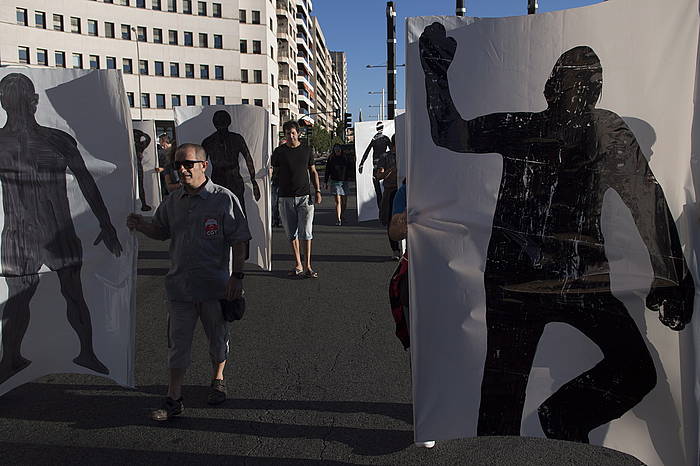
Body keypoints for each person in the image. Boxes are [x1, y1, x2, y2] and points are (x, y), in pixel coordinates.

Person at [420, 23, 694, 442]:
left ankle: (564, 416)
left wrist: (672, 276)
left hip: (573, 277)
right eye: (574, 84)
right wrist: (435, 74)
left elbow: (647, 202)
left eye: (587, 87)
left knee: (621, 373)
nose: (579, 95)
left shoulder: (603, 133)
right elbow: (451, 135)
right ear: (551, 89)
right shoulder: (537, 128)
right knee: (502, 398)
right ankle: (562, 418)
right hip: (523, 281)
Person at [0, 73, 123, 385]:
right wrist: (106, 223)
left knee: (20, 298)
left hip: (22, 233)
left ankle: (11, 358)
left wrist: (107, 223)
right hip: (54, 231)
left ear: (3, 103)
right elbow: (88, 180)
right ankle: (85, 352)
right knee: (73, 294)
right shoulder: (56, 140)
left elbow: (86, 179)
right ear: (34, 101)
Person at [126, 143, 251, 421]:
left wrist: (238, 276)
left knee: (218, 340)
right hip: (180, 288)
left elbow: (239, 239)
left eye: (187, 164)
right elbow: (161, 230)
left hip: (215, 287)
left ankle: (218, 378)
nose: (181, 169)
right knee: (177, 345)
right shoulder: (173, 201)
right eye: (177, 165)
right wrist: (140, 224)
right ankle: (173, 398)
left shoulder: (224, 199)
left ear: (203, 166)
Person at [387, 180, 435, 450]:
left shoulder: (464, 176)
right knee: (420, 351)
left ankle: (443, 408)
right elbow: (395, 231)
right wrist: (410, 217)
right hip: (418, 278)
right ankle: (427, 419)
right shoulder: (411, 186)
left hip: (460, 276)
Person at [272, 120, 322, 278]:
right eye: (288, 133)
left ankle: (308, 266)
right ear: (284, 134)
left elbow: (313, 172)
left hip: (304, 197)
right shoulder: (279, 152)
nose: (291, 136)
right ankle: (298, 264)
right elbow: (274, 172)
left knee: (306, 232)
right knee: (291, 234)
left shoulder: (306, 150)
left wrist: (318, 190)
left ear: (298, 133)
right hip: (285, 197)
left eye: (293, 133)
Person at [201, 110, 261, 217]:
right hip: (219, 179)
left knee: (239, 211)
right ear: (215, 124)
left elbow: (248, 159)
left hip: (234, 179)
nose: (222, 127)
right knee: (219, 213)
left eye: (223, 123)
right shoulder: (208, 141)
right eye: (220, 124)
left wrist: (254, 181)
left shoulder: (236, 139)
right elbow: (201, 165)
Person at [377, 135, 400, 259]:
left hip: (407, 191)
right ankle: (395, 250)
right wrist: (390, 171)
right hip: (391, 192)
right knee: (392, 221)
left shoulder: (408, 154)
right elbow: (379, 176)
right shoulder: (385, 157)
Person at [358, 121, 391, 209]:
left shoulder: (376, 139)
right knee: (383, 187)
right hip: (383, 165)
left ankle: (381, 207)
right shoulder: (384, 138)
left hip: (378, 165)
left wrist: (361, 163)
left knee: (378, 188)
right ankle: (383, 206)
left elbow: (367, 151)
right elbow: (393, 150)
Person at [324, 143, 349, 226]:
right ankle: (338, 219)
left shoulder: (345, 158)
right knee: (338, 201)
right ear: (334, 150)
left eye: (338, 149)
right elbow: (327, 170)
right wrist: (325, 181)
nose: (337, 150)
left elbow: (351, 168)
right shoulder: (331, 158)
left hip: (344, 182)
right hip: (335, 182)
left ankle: (342, 214)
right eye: (336, 149)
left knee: (344, 202)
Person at [133, 129, 153, 212]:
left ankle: (143, 204)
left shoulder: (138, 145)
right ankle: (143, 204)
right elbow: (148, 138)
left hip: (137, 166)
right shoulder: (137, 145)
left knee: (140, 186)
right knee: (139, 186)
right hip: (136, 166)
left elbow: (148, 139)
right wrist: (142, 134)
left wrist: (141, 133)